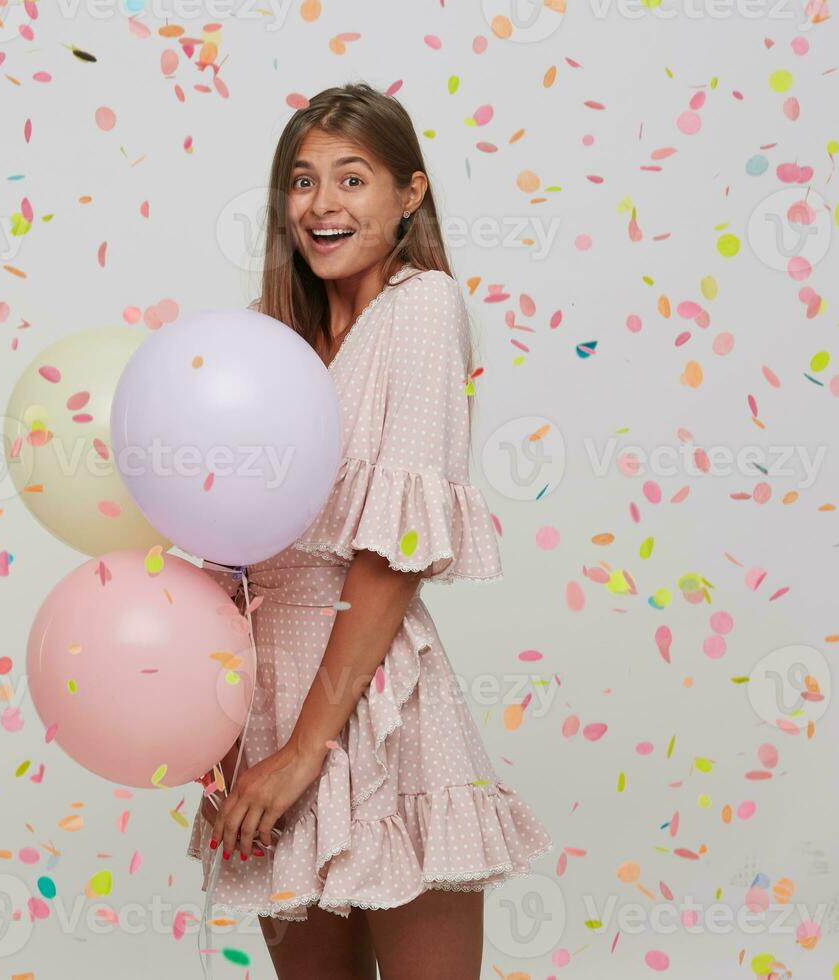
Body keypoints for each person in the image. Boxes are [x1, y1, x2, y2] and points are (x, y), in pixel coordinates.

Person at [185, 81, 552, 979]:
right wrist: (229, 738)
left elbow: (394, 553)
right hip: (268, 702)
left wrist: (306, 751)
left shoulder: (423, 309)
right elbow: (231, 551)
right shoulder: (277, 342)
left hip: (372, 704)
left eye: (353, 179)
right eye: (303, 182)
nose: (323, 204)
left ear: (409, 195)